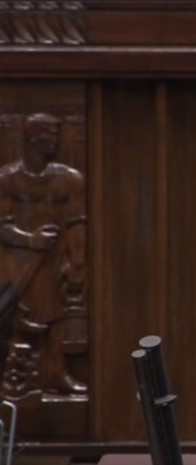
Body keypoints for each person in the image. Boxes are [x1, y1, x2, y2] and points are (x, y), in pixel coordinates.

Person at [0, 112, 87, 399]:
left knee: (57, 318)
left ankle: (55, 374)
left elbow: (77, 223)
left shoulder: (69, 179)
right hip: (16, 264)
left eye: (56, 136)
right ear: (32, 139)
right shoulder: (7, 180)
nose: (54, 141)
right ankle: (13, 378)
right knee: (16, 320)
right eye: (48, 136)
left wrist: (76, 261)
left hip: (53, 261)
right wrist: (30, 239)